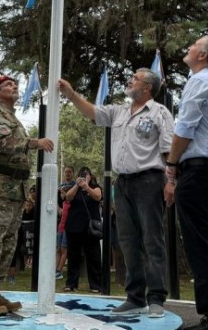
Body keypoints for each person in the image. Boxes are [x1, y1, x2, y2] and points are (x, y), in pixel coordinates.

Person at [58, 66, 174, 318]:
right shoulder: (118, 111)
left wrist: (171, 180)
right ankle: (135, 298)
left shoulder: (159, 112)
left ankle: (156, 299)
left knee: (152, 240)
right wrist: (71, 94)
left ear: (147, 88)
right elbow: (92, 111)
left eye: (135, 79)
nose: (130, 81)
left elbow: (168, 149)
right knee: (128, 241)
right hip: (122, 184)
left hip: (150, 181)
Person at [164, 36, 208, 330]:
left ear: (203, 54)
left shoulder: (199, 81)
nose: (188, 48)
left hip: (200, 170)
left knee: (201, 246)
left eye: (193, 45)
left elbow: (185, 127)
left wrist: (171, 164)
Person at [0, 75, 53, 317]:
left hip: (14, 188)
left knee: (6, 243)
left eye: (15, 85)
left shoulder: (11, 117)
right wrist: (34, 143)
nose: (14, 87)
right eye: (8, 85)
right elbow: (2, 143)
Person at [63, 167, 103, 294]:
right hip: (74, 227)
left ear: (90, 176)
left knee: (93, 256)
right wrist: (77, 185)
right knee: (73, 256)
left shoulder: (95, 187)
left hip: (90, 229)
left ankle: (95, 285)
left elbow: (97, 196)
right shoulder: (75, 188)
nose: (84, 177)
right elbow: (68, 197)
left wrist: (86, 186)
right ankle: (71, 284)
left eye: (86, 175)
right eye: (81, 175)